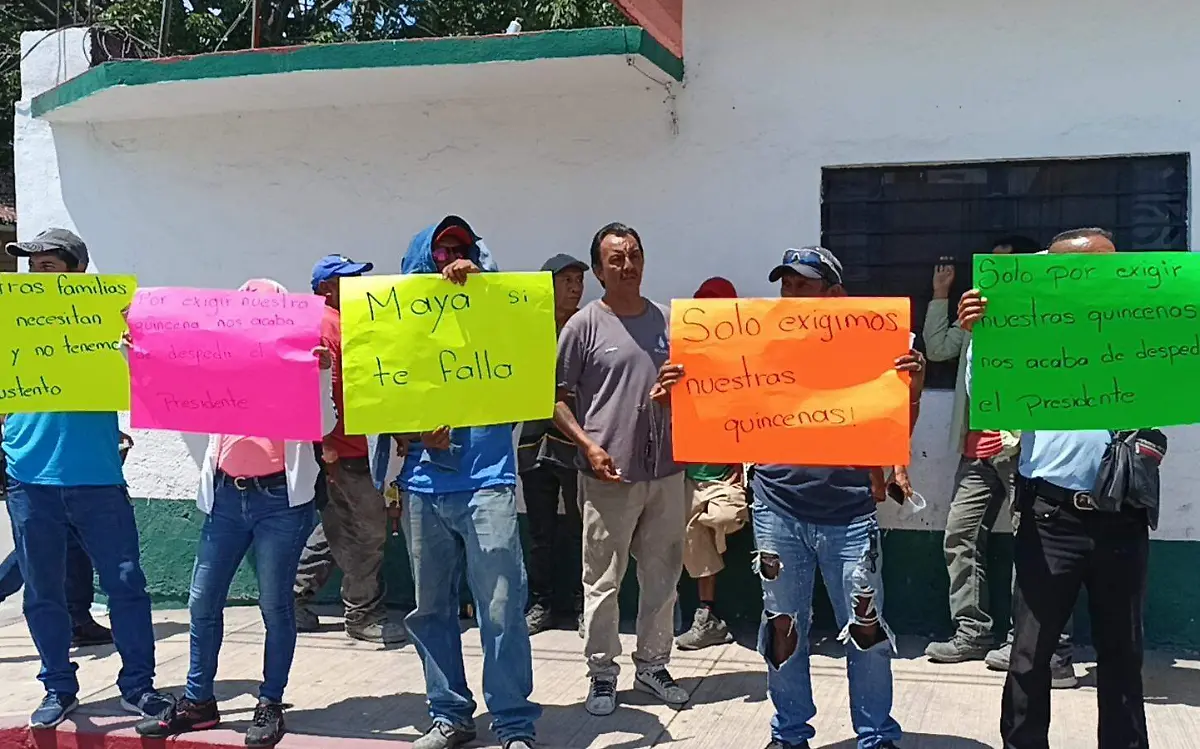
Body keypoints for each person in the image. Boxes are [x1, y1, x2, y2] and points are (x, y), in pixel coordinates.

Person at [959, 228, 1151, 749]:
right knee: (1030, 654)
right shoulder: (1029, 333)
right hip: (1051, 518)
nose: (1095, 278)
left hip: (1122, 517)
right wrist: (983, 335)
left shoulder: (1140, 328)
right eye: (1079, 268)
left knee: (1122, 655)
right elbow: (991, 400)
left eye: (1106, 268)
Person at [136, 278, 335, 747]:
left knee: (275, 606)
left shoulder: (297, 367)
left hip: (278, 504)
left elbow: (323, 425)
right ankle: (198, 700)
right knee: (202, 602)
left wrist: (320, 374)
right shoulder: (219, 365)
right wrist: (136, 354)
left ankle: (270, 701)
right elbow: (170, 387)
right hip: (225, 498)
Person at [743, 247, 924, 749]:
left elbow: (895, 431)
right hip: (775, 507)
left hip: (849, 513)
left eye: (803, 286)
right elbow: (725, 407)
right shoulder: (761, 349)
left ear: (835, 295)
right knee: (783, 629)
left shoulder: (872, 351)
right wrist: (686, 390)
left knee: (865, 631)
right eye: (787, 286)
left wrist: (914, 384)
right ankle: (788, 735)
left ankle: (874, 737)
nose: (791, 296)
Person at [2, 228, 173, 729]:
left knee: (126, 586)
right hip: (29, 480)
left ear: (77, 273)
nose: (37, 281)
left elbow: (154, 381)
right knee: (42, 592)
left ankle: (138, 687)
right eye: (31, 271)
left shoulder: (110, 325)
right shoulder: (13, 325)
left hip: (98, 479)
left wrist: (129, 348)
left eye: (49, 269)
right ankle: (58, 687)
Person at [385, 216, 539, 749]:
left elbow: (529, 364)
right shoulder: (396, 326)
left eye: (462, 248)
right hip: (423, 487)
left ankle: (514, 722)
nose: (453, 257)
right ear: (420, 261)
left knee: (501, 608)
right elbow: (378, 401)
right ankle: (449, 714)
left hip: (488, 482)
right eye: (441, 249)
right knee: (430, 610)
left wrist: (487, 283)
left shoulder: (496, 316)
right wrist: (409, 430)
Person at [924, 235, 1074, 684]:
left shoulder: (1045, 316)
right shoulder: (979, 314)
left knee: (1038, 545)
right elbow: (938, 350)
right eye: (993, 268)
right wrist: (943, 299)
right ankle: (972, 630)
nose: (1000, 277)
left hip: (1025, 451)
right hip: (976, 451)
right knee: (960, 535)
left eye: (1011, 268)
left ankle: (1032, 642)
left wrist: (1009, 436)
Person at [553, 222, 690, 717]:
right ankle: (602, 674)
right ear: (598, 270)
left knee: (663, 576)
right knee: (603, 580)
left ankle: (653, 665)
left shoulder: (671, 323)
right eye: (616, 259)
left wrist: (677, 386)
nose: (627, 266)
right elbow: (557, 401)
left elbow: (702, 392)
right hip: (607, 476)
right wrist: (589, 446)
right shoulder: (582, 326)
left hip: (668, 472)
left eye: (634, 256)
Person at [292, 255, 406, 645]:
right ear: (326, 288)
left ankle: (292, 599)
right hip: (338, 449)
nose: (358, 286)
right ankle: (362, 615)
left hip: (353, 444)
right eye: (348, 279)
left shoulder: (347, 324)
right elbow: (312, 389)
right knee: (367, 532)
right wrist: (325, 448)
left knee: (336, 528)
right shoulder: (322, 326)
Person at [674, 276, 748, 651]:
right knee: (691, 540)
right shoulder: (682, 359)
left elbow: (755, 416)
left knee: (722, 519)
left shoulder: (744, 362)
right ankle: (707, 616)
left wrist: (742, 461)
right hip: (687, 472)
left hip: (726, 473)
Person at [0, 418, 115, 648]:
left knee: (66, 546)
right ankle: (78, 619)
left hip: (70, 465)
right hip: (37, 471)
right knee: (35, 555)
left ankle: (78, 618)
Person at [520, 253, 588, 636]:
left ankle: (582, 607)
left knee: (584, 528)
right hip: (533, 442)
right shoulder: (528, 328)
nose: (575, 287)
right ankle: (541, 603)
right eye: (566, 280)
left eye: (579, 280)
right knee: (540, 531)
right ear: (548, 285)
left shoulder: (588, 326)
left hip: (576, 440)